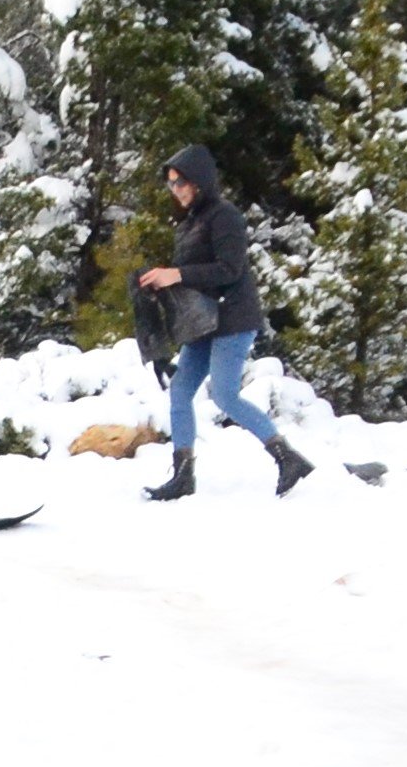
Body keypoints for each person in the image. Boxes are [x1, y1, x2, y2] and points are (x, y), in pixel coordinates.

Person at [134, 141, 313, 500]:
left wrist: (177, 274)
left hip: (233, 316)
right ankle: (184, 475)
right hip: (201, 322)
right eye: (170, 184)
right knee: (182, 390)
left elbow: (229, 269)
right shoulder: (188, 224)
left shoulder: (224, 215)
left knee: (225, 394)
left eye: (180, 183)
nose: (175, 190)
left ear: (199, 181)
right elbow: (190, 276)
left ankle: (286, 456)